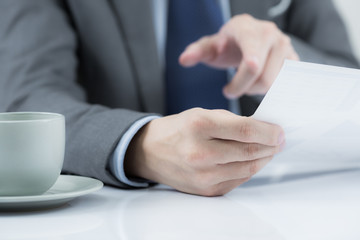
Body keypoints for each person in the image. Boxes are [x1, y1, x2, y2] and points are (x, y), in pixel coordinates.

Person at [0, 0, 358, 196]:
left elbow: (348, 74)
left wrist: (288, 64)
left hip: (286, 205)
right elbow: (28, 101)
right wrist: (138, 144)